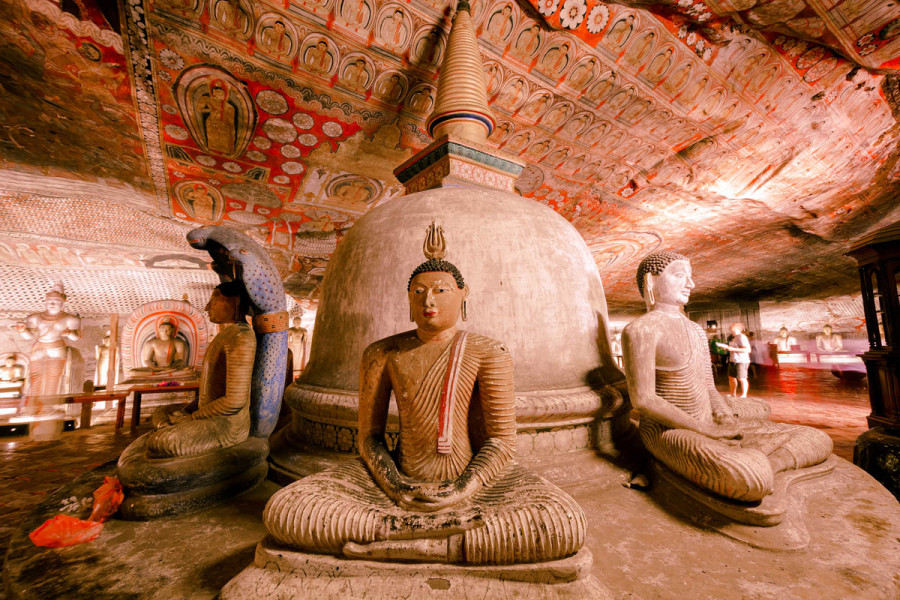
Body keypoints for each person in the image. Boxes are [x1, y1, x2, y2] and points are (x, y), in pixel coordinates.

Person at [263, 224, 585, 564]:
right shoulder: (383, 353)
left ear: (464, 294)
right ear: (409, 299)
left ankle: (400, 541)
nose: (428, 300)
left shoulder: (488, 352)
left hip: (471, 484)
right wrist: (395, 485)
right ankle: (447, 542)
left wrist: (464, 487)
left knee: (562, 521)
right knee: (287, 509)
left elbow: (502, 442)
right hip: (398, 482)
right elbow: (369, 438)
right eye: (418, 292)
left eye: (441, 290)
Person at [622, 251, 832, 502]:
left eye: (691, 276)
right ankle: (756, 465)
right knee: (747, 477)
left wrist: (723, 416)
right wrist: (704, 429)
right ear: (651, 281)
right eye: (680, 275)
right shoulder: (640, 330)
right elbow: (644, 400)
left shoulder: (695, 329)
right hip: (671, 429)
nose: (691, 284)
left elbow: (709, 388)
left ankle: (770, 465)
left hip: (709, 421)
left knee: (816, 437)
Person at [146, 281, 256, 457]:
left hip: (226, 425)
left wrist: (192, 418)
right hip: (207, 414)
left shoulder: (242, 337)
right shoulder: (227, 334)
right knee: (161, 413)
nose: (206, 307)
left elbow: (235, 401)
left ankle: (171, 432)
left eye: (214, 299)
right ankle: (171, 428)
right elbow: (213, 391)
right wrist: (190, 409)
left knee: (158, 443)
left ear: (235, 301)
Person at [16, 283, 81, 396]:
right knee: (35, 376)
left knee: (54, 378)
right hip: (39, 347)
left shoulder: (70, 319)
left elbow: (76, 337)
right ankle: (34, 405)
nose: (52, 304)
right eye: (49, 301)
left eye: (56, 302)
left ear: (62, 304)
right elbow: (29, 337)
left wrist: (69, 333)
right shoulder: (35, 317)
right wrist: (22, 331)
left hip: (57, 348)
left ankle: (50, 404)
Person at [719, 322, 751, 398]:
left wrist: (732, 349)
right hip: (733, 360)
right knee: (731, 377)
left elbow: (748, 349)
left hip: (741, 361)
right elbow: (735, 347)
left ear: (737, 329)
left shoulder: (741, 337)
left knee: (742, 378)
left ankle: (744, 395)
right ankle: (733, 394)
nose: (730, 328)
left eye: (732, 328)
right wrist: (726, 347)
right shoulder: (734, 337)